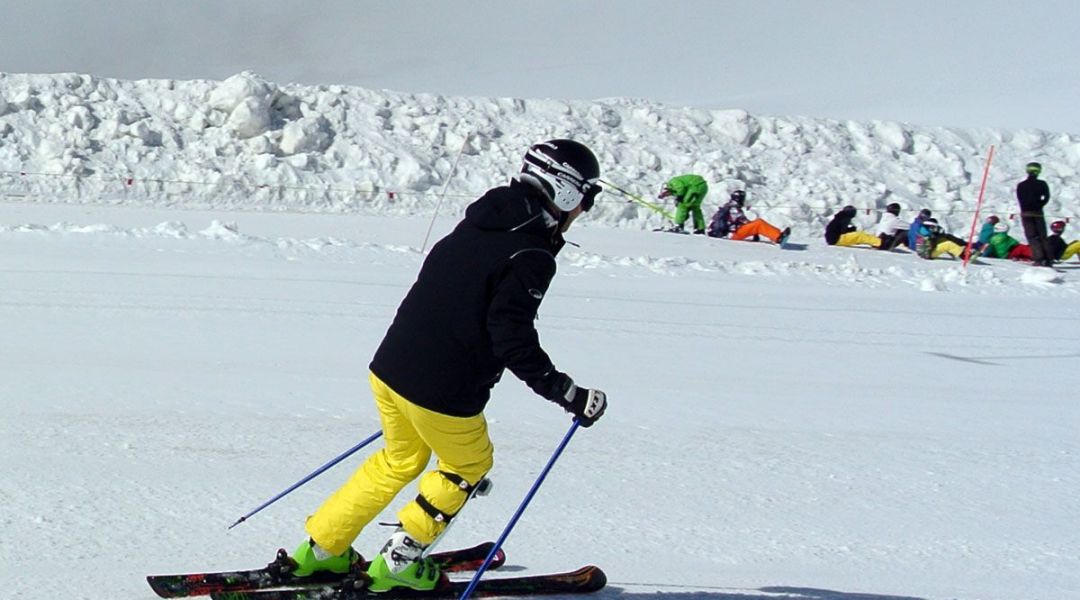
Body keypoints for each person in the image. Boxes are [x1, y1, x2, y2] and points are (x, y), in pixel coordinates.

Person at [290, 139, 609, 592]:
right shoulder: (530, 254)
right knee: (468, 465)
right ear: (566, 191)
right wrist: (567, 393)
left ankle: (321, 550)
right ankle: (400, 564)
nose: (586, 210)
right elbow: (512, 338)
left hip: (390, 369)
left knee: (398, 460)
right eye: (588, 198)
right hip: (442, 390)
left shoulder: (481, 223)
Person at [706, 190, 791, 244]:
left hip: (727, 233)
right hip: (731, 234)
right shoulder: (734, 209)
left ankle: (777, 235)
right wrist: (755, 230)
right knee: (759, 223)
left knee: (757, 224)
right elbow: (744, 222)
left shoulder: (727, 206)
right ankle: (778, 237)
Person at [1016, 161, 1053, 266]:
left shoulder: (1021, 185)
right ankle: (1048, 259)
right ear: (1039, 171)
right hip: (1038, 212)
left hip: (1026, 213)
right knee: (1042, 236)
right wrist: (1040, 204)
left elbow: (1020, 198)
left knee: (1032, 237)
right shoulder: (1042, 184)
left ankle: (1038, 259)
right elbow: (1046, 197)